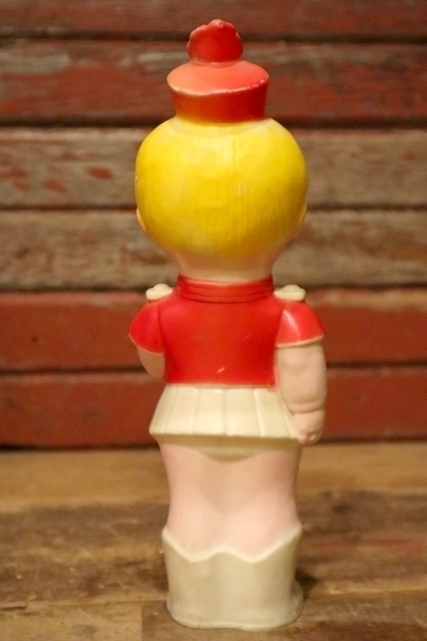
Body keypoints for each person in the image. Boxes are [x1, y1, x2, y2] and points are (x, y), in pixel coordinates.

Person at [130, 19, 327, 630]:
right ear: (297, 217)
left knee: (192, 507)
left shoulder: (160, 310)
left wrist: (158, 317)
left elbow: (155, 363)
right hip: (265, 421)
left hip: (183, 417)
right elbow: (302, 371)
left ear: (146, 220)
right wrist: (307, 413)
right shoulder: (289, 313)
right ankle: (262, 603)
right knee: (264, 508)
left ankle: (195, 601)